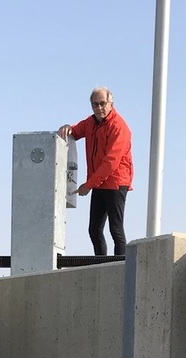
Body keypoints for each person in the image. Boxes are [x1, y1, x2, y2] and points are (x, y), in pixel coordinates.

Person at [57, 86, 134, 257]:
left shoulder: (119, 127)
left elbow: (110, 162)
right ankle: (101, 265)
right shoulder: (91, 123)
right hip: (99, 182)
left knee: (116, 228)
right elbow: (76, 130)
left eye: (102, 103)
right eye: (95, 104)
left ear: (111, 103)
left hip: (115, 182)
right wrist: (67, 127)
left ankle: (120, 266)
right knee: (94, 229)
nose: (99, 108)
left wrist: (88, 185)